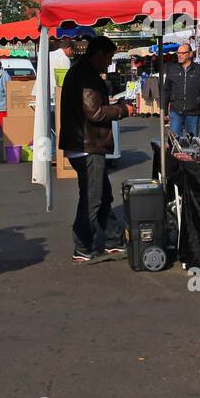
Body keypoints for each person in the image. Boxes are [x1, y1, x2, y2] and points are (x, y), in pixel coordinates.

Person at [60, 36, 136, 262]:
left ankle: (113, 240)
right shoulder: (87, 76)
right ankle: (82, 246)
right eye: (109, 57)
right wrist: (123, 110)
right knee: (93, 198)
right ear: (99, 55)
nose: (110, 62)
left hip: (83, 143)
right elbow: (94, 112)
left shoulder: (82, 72)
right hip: (87, 145)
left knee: (102, 194)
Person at [162, 42, 200, 137]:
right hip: (176, 111)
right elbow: (166, 90)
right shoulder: (172, 69)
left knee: (192, 142)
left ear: (190, 54)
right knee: (174, 141)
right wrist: (164, 110)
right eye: (178, 53)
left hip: (193, 112)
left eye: (183, 53)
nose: (179, 55)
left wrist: (199, 100)